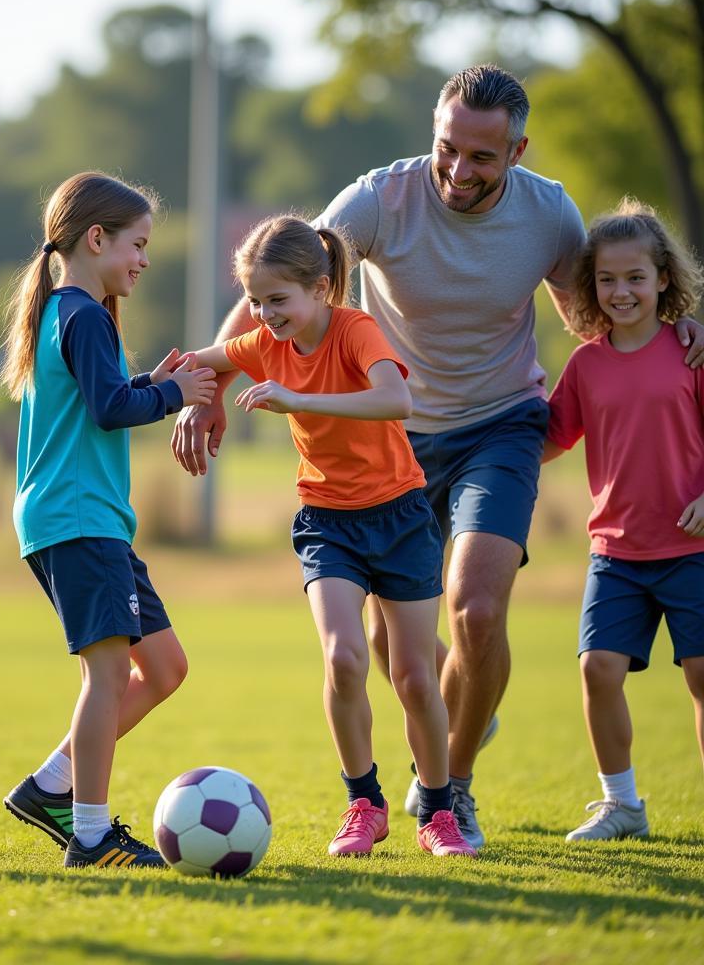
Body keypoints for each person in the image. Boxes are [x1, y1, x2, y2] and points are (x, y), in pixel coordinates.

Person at [171, 65, 704, 849]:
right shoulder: (378, 199)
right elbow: (273, 284)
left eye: (482, 158)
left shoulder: (549, 214)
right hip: (393, 441)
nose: (457, 171)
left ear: (517, 151)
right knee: (394, 643)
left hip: (503, 423)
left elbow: (600, 308)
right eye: (447, 147)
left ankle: (449, 791)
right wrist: (208, 387)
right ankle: (460, 724)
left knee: (478, 607)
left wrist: (686, 329)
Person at [188, 214, 476, 857]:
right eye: (255, 301)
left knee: (413, 678)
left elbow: (395, 400)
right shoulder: (265, 341)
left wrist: (298, 401)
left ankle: (438, 810)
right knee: (344, 658)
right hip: (326, 523)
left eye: (277, 299)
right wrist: (184, 398)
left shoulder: (356, 330)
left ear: (320, 289)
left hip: (400, 517)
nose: (263, 314)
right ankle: (364, 805)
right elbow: (199, 362)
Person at [0, 172, 216, 869]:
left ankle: (50, 785)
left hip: (91, 522)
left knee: (166, 666)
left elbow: (108, 395)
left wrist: (154, 382)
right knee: (110, 676)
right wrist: (172, 393)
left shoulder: (69, 312)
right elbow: (108, 409)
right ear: (96, 239)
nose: (144, 260)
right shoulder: (82, 312)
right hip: (77, 519)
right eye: (137, 245)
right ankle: (89, 835)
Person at [543, 198, 704, 841]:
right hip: (617, 552)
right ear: (591, 286)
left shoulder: (691, 351)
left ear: (663, 278)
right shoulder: (585, 363)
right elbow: (551, 438)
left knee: (701, 676)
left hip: (692, 547)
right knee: (597, 669)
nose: (621, 291)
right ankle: (623, 806)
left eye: (635, 277)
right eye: (606, 279)